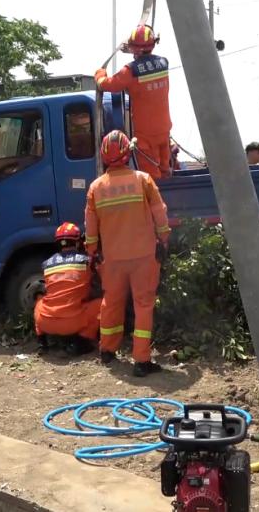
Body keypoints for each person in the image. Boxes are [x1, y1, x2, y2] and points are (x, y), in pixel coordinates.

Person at [85, 130, 170, 377]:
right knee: (143, 305)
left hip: (111, 259)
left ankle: (107, 351)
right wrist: (163, 240)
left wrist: (93, 252)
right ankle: (141, 361)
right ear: (128, 152)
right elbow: (160, 215)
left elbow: (90, 229)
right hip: (144, 256)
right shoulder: (143, 180)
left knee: (111, 302)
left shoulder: (96, 187)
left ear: (103, 156)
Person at [94, 24, 173, 180]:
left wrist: (100, 74)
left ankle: (156, 200)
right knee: (165, 170)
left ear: (135, 49)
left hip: (145, 135)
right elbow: (145, 65)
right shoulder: (164, 63)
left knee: (152, 177)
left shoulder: (130, 71)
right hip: (164, 129)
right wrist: (132, 49)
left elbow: (108, 84)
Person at [34, 222, 102, 357]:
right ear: (77, 243)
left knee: (40, 301)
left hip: (46, 322)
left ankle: (42, 342)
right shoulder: (86, 261)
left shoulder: (46, 264)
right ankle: (82, 341)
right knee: (103, 304)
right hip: (73, 323)